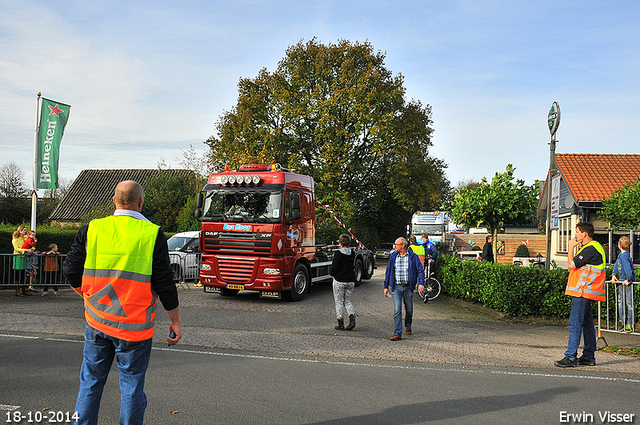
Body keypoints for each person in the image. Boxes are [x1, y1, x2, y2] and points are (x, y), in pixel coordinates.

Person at [63, 180, 182, 425]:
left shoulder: (93, 229)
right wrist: (175, 320)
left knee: (90, 383)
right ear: (141, 202)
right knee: (131, 386)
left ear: (114, 201)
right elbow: (164, 282)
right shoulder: (152, 234)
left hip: (97, 321)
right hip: (134, 328)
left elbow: (70, 270)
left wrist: (86, 296)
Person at [555, 222, 605, 368]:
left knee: (575, 323)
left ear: (585, 234)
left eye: (577, 232)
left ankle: (571, 356)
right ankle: (589, 356)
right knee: (588, 324)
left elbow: (572, 265)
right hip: (586, 291)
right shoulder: (590, 248)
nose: (575, 235)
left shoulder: (590, 249)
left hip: (583, 291)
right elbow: (575, 265)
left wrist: (570, 247)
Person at [383, 237, 425, 341]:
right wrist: (386, 286)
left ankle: (408, 325)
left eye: (396, 244)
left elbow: (420, 270)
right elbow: (388, 272)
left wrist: (421, 283)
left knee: (409, 310)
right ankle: (397, 333)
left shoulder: (413, 257)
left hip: (408, 287)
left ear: (403, 245)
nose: (395, 246)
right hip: (396, 287)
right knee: (397, 310)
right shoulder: (393, 257)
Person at [330, 234, 357, 331]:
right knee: (348, 301)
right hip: (350, 280)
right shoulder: (352, 253)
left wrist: (332, 274)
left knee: (339, 302)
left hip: (339, 280)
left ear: (340, 243)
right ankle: (352, 319)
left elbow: (335, 267)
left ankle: (340, 323)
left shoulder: (338, 254)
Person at [611, 236, 636, 333]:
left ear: (619, 246)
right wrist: (614, 274)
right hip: (622, 280)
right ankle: (622, 322)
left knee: (628, 303)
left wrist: (628, 280)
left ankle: (629, 323)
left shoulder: (625, 256)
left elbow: (629, 270)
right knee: (622, 302)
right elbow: (617, 264)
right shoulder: (621, 255)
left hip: (626, 282)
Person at [12, 226, 34, 297]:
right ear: (20, 231)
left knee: (24, 274)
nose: (25, 232)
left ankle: (23, 290)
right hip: (18, 257)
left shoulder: (26, 238)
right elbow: (16, 248)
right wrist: (25, 250)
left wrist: (31, 250)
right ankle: (17, 291)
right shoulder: (15, 239)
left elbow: (30, 245)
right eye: (24, 230)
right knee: (17, 274)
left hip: (24, 257)